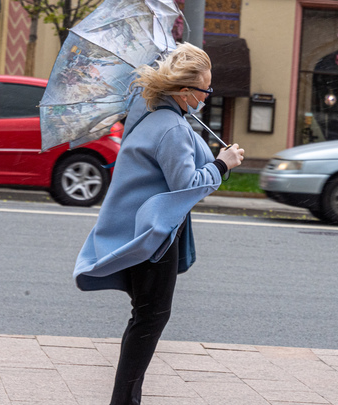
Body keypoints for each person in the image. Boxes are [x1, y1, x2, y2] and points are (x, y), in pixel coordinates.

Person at [72, 43, 245, 405]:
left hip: (139, 233)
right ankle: (125, 400)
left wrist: (214, 160)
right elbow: (186, 185)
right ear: (185, 92)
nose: (207, 96)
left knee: (145, 317)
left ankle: (126, 398)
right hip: (154, 239)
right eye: (204, 90)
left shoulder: (151, 117)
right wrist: (223, 165)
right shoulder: (171, 128)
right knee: (150, 319)